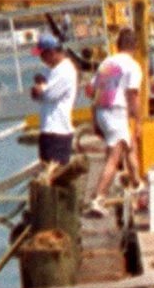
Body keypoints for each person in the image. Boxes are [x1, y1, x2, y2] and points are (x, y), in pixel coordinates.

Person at [87, 28, 144, 213]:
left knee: (130, 147)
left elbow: (91, 90)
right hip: (117, 112)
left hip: (102, 111)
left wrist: (94, 120)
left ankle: (138, 185)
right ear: (135, 46)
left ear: (117, 44)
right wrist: (139, 121)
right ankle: (98, 198)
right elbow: (132, 94)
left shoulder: (106, 62)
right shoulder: (132, 66)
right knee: (114, 157)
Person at [30, 30, 78, 167]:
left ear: (51, 52)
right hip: (47, 129)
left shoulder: (66, 70)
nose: (41, 58)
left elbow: (49, 94)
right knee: (45, 168)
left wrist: (41, 89)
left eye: (42, 54)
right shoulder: (50, 70)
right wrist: (40, 89)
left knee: (55, 173)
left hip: (59, 131)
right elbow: (37, 93)